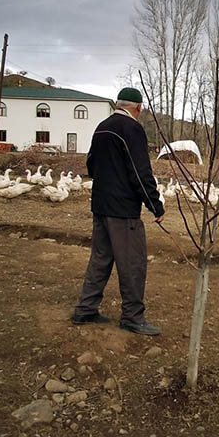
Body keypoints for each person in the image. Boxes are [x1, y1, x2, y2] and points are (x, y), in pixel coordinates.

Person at [71, 87, 165, 336]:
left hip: (100, 206)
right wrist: (155, 205)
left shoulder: (102, 127)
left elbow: (91, 164)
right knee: (133, 263)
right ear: (138, 107)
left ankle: (86, 309)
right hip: (123, 211)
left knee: (100, 258)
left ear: (117, 104)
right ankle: (133, 317)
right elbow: (140, 172)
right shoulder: (131, 129)